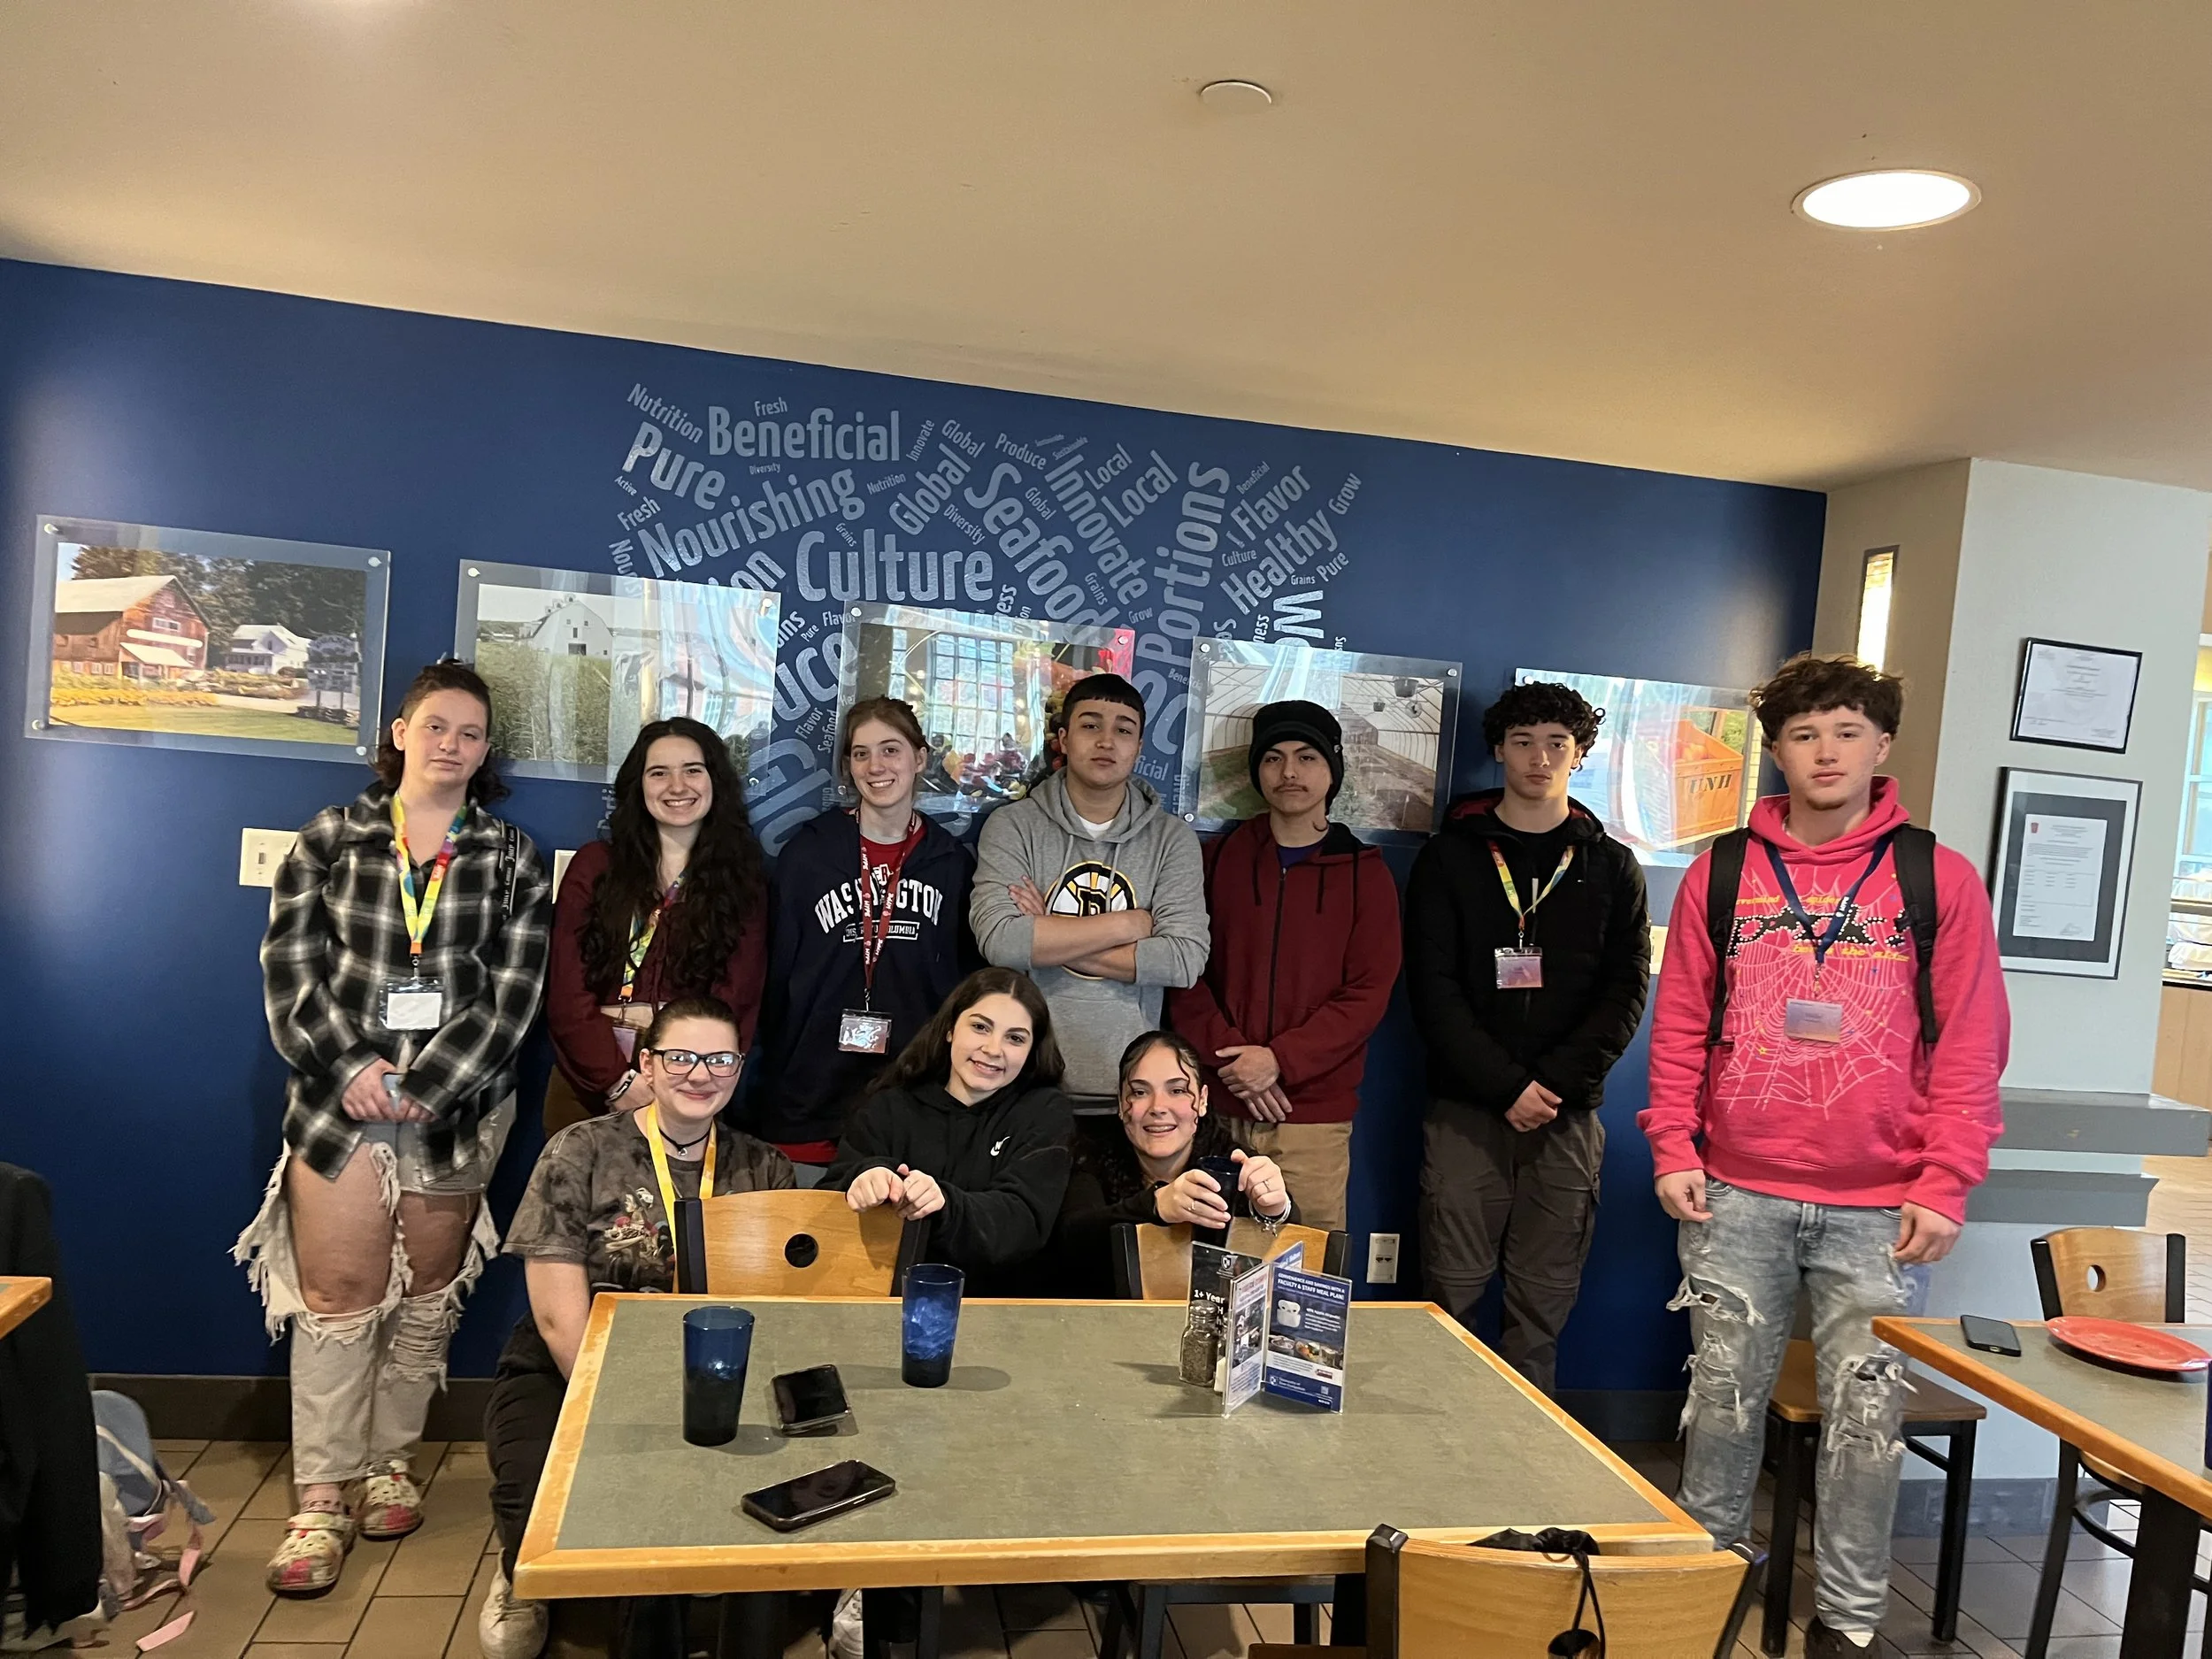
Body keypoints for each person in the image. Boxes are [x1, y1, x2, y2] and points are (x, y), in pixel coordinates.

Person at [1640, 655, 2008, 1658]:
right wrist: (1674, 1143)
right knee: (1718, 1407)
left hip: (1878, 1208)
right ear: (1777, 750)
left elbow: (1972, 1043)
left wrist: (1945, 1182)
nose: (1825, 752)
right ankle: (1704, 1590)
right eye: (1804, 734)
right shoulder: (1724, 870)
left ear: (1880, 746)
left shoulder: (1936, 877)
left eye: (1846, 731)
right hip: (1734, 1194)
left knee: (1863, 1432)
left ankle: (1844, 1620)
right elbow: (1677, 1024)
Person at [235, 660, 551, 1597]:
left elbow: (513, 996)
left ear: (485, 751)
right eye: (437, 726)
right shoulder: (329, 839)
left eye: (471, 733)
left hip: (457, 1109)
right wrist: (359, 1071)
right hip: (338, 1105)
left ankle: (390, 1462)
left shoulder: (512, 855)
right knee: (338, 1292)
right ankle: (322, 1495)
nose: (453, 745)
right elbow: (290, 977)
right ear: (401, 731)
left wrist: (430, 1083)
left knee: (426, 1293)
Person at [479, 996, 795, 1658]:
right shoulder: (581, 1148)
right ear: (647, 1062)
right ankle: (520, 1573)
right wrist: (621, 1405)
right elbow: (556, 1313)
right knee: (535, 1494)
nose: (700, 1073)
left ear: (739, 1067)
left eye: (720, 1058)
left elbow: (779, 1307)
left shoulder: (765, 1168)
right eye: (680, 1055)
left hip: (716, 1374)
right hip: (572, 1366)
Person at [1403, 680, 1650, 1394]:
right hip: (1465, 1111)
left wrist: (1552, 1086)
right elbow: (1433, 987)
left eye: (1557, 743)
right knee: (1449, 1290)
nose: (1539, 758)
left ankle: (1529, 1460)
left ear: (1581, 753)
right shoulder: (1449, 859)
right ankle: (1442, 1447)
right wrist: (1506, 1084)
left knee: (1543, 1302)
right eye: (1523, 742)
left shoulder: (1611, 867)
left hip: (1566, 1117)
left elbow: (1626, 991)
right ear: (1498, 751)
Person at [1166, 701, 1400, 1232]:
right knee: (1204, 1272)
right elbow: (1185, 970)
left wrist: (1279, 1061)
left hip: (1310, 1119)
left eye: (1306, 757)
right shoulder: (1217, 860)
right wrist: (1236, 1064)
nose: (1289, 772)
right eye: (1272, 758)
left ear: (1332, 770)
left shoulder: (1366, 876)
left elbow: (1367, 992)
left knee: (1306, 1282)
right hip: (1215, 1109)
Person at [754, 697, 972, 1171]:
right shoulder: (808, 856)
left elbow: (964, 985)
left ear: (920, 758)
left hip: (912, 1100)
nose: (876, 766)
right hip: (810, 1098)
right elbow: (774, 981)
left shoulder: (950, 863)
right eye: (860, 753)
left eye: (891, 750)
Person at [971, 673, 1209, 1107]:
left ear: (1138, 747)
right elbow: (1001, 942)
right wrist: (1131, 923)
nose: (1106, 741)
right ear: (1063, 738)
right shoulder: (1013, 826)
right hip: (1023, 1085)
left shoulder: (1171, 840)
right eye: (1090, 725)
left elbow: (1182, 960)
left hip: (1132, 1093)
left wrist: (1045, 931)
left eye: (1123, 730)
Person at [543, 716, 767, 1132]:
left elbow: (737, 1000)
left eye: (693, 771)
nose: (677, 786)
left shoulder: (742, 882)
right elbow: (566, 993)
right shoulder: (595, 867)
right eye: (659, 773)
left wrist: (683, 1080)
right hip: (587, 1086)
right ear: (638, 785)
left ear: (714, 781)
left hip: (692, 1087)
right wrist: (615, 1081)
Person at [826, 968, 1074, 1294]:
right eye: (980, 1027)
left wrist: (944, 1203)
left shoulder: (1045, 1112)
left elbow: (1021, 1222)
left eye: (1015, 1038)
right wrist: (864, 1178)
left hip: (1004, 1307)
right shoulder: (888, 1106)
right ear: (950, 1030)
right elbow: (826, 1204)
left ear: (1031, 1051)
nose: (993, 1048)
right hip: (886, 1304)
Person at [1051, 1030, 1295, 1297]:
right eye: (1140, 1092)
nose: (1158, 1107)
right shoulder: (1091, 1156)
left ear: (1201, 1101)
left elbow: (1290, 1252)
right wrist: (1156, 1205)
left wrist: (1276, 1209)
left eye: (1177, 1090)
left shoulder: (1231, 1161)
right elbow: (1071, 1239)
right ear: (1122, 1104)